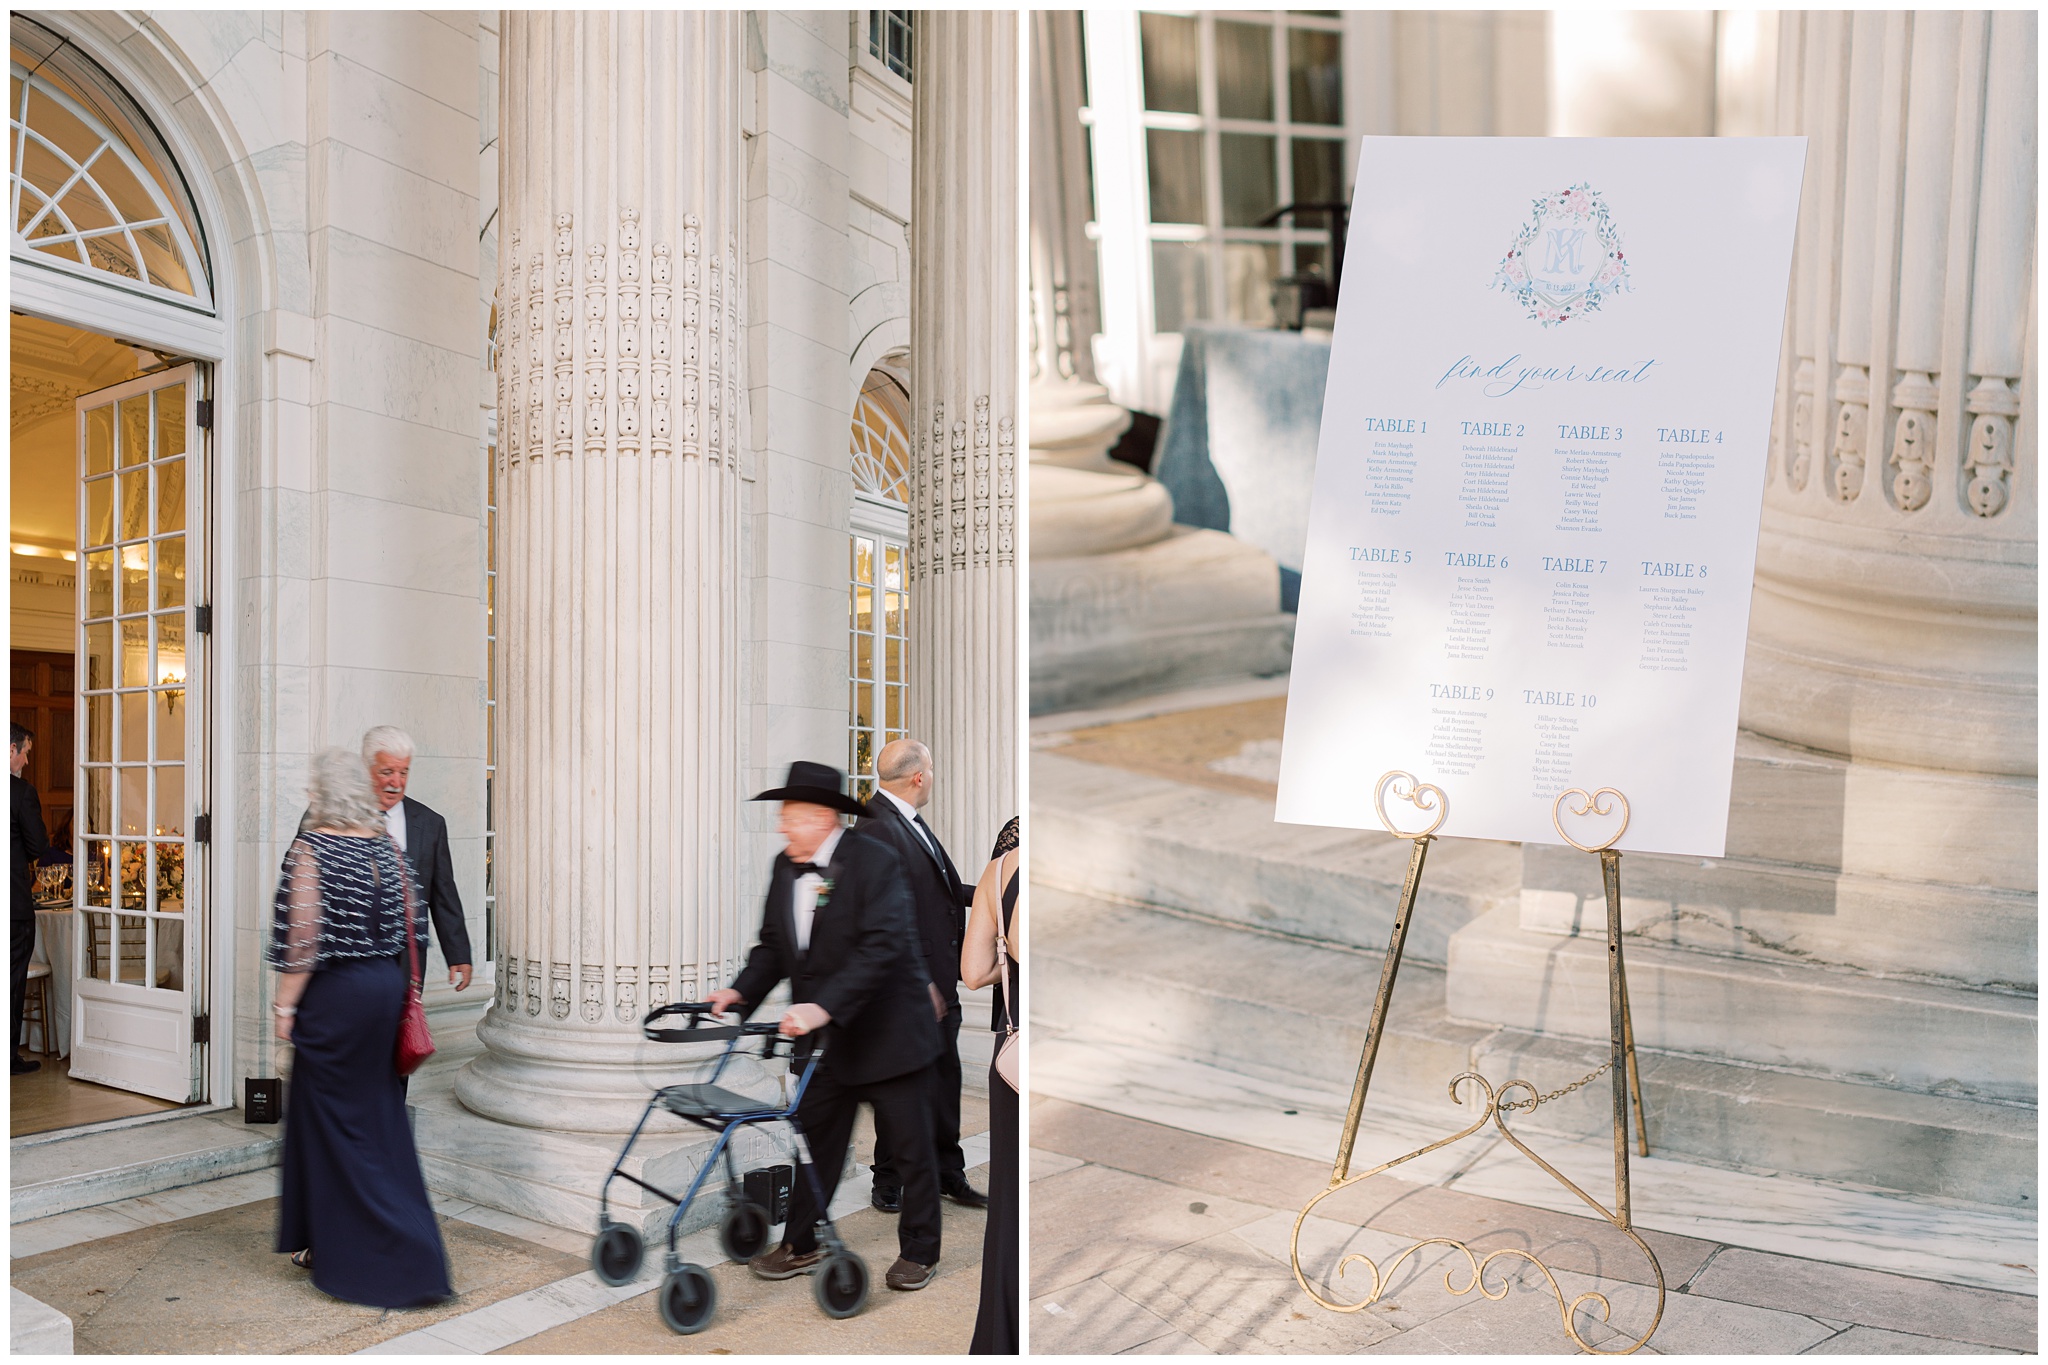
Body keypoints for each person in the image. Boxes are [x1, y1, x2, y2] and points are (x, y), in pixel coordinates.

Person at [708, 760, 946, 1292]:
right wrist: (740, 992)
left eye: (789, 815)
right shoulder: (784, 867)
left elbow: (880, 949)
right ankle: (802, 1244)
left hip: (891, 1036)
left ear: (821, 818)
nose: (781, 826)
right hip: (828, 1046)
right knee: (816, 1144)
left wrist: (822, 1007)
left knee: (911, 1151)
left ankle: (920, 1251)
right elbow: (773, 947)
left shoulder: (875, 861)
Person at [271, 747, 451, 1308]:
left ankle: (371, 1254)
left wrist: (283, 1009)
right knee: (375, 1121)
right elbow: (412, 921)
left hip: (336, 997)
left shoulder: (314, 846)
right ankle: (346, 1241)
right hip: (382, 989)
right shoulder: (386, 847)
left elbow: (301, 941)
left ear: (323, 793)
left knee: (335, 1126)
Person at [856, 738, 985, 1212]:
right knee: (901, 1091)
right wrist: (920, 983)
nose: (932, 776)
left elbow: (946, 889)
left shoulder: (908, 821)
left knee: (944, 1082)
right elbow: (883, 918)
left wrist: (999, 895)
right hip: (907, 992)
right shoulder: (874, 828)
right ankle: (887, 1179)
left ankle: (950, 1173)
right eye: (930, 769)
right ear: (918, 777)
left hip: (937, 983)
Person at [963, 816, 1021, 1354]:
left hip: (1012, 1059)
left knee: (1008, 1209)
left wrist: (1010, 964)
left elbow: (974, 971)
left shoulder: (998, 870)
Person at [357, 726, 474, 992]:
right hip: (350, 964)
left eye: (404, 772)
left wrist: (458, 954)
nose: (396, 782)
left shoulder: (431, 824)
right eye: (387, 772)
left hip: (405, 964)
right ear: (367, 769)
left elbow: (443, 892)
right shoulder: (332, 817)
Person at [11, 724, 49, 1076]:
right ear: (10, 750)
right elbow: (38, 846)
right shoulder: (21, 793)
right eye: (25, 751)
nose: (26, 759)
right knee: (12, 978)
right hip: (14, 904)